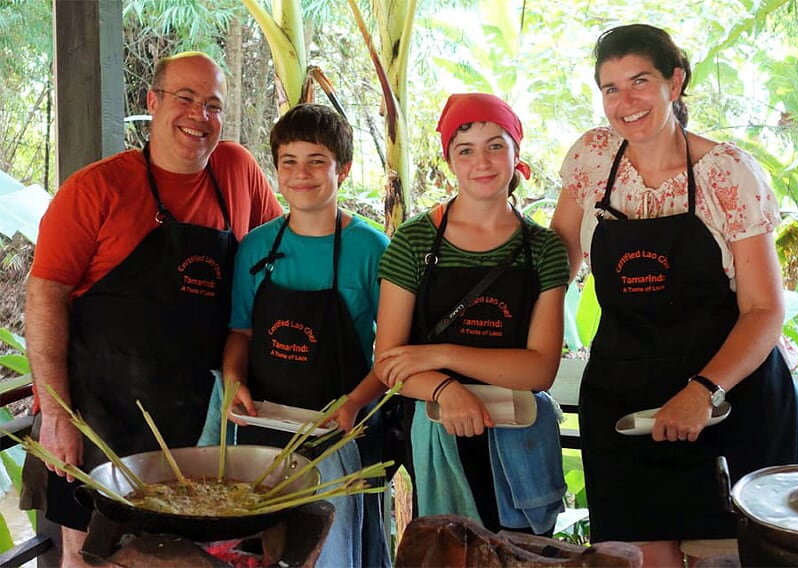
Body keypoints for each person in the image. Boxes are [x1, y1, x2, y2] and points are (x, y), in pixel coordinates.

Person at [549, 24, 798, 566]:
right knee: (639, 556)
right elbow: (558, 264)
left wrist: (703, 391)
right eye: (611, 88)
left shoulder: (727, 173)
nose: (625, 102)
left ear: (675, 82)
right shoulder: (593, 158)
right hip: (624, 403)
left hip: (731, 400)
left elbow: (765, 309)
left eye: (639, 81)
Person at [20, 51, 283, 567]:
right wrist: (56, 414)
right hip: (99, 417)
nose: (199, 116)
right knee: (87, 555)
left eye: (213, 105)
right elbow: (44, 296)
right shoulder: (95, 189)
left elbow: (281, 257)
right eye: (185, 98)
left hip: (197, 425)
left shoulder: (237, 171)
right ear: (153, 100)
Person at [374, 92, 569, 536]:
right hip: (437, 426)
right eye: (465, 150)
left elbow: (539, 370)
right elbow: (389, 364)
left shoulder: (543, 249)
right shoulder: (414, 241)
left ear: (516, 154)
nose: (482, 161)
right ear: (450, 161)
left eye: (495, 145)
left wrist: (439, 354)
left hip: (519, 431)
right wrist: (445, 389)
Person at [223, 103, 391, 568]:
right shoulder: (257, 246)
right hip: (264, 428)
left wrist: (354, 403)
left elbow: (394, 355)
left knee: (339, 549)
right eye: (289, 161)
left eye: (317, 161)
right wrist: (234, 381)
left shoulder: (371, 248)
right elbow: (240, 332)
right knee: (268, 550)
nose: (301, 174)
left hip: (342, 430)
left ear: (344, 169)